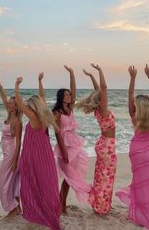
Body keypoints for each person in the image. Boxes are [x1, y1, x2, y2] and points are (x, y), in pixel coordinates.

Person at [116, 64, 149, 229]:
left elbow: (130, 95)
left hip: (137, 153)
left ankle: (140, 212)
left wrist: (132, 78)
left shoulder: (135, 117)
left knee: (140, 183)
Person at [15, 73, 61, 230]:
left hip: (35, 157)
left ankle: (39, 212)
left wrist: (17, 85)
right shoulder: (43, 116)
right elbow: (41, 96)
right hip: (45, 155)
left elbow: (19, 104)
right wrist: (40, 81)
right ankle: (49, 209)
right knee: (45, 183)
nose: (26, 108)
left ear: (33, 108)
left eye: (29, 106)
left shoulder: (34, 117)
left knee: (32, 184)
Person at [76, 64, 117, 214]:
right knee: (107, 177)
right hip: (107, 146)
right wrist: (100, 71)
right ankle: (101, 207)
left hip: (103, 144)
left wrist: (91, 76)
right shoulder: (103, 110)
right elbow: (103, 88)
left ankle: (100, 204)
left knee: (101, 176)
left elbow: (98, 90)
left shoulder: (98, 111)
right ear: (101, 101)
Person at [53, 65, 90, 214]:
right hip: (65, 149)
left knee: (69, 180)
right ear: (61, 97)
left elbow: (74, 89)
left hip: (75, 147)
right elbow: (57, 134)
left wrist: (72, 73)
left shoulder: (70, 109)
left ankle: (62, 203)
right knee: (68, 177)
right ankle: (60, 205)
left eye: (69, 95)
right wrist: (64, 152)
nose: (69, 96)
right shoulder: (56, 112)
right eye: (66, 95)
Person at [0, 72, 22, 220]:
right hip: (6, 153)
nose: (8, 104)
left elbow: (19, 142)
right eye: (9, 103)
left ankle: (12, 209)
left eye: (11, 103)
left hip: (12, 154)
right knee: (10, 182)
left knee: (1, 184)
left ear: (16, 107)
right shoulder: (9, 115)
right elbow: (3, 96)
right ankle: (16, 209)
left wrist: (16, 160)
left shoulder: (17, 121)